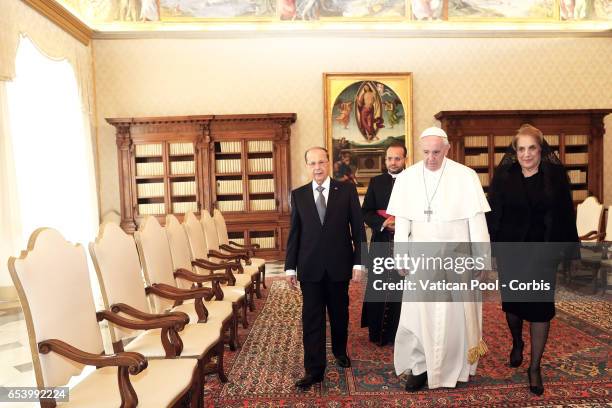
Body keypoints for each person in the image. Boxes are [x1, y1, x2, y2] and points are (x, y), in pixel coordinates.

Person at [387, 127, 491, 391]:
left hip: (457, 256)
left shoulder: (466, 176)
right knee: (419, 313)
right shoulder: (407, 178)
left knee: (454, 316)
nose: (431, 158)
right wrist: (400, 255)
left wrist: (482, 258)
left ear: (447, 149)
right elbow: (402, 222)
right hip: (420, 257)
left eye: (436, 152)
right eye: (426, 152)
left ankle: (455, 369)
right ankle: (421, 368)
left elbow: (477, 222)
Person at [486, 124, 579, 396]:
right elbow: (495, 215)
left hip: (543, 252)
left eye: (532, 148)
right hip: (511, 252)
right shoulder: (504, 175)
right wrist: (490, 252)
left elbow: (565, 213)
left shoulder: (555, 176)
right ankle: (517, 342)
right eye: (521, 149)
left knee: (540, 309)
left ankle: (535, 367)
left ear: (541, 149)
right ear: (515, 151)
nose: (527, 154)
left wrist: (568, 251)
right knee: (513, 307)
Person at [285, 147, 365, 390]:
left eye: (321, 162)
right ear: (307, 166)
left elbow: (358, 230)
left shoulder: (347, 191)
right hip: (309, 267)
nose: (317, 167)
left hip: (339, 265)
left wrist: (359, 262)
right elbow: (295, 233)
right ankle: (314, 369)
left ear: (329, 163)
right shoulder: (298, 195)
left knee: (339, 313)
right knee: (312, 318)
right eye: (312, 163)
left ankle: (340, 351)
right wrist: (290, 268)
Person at [360, 142, 407, 346]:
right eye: (389, 158)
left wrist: (402, 224)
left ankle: (399, 334)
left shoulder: (413, 180)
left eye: (397, 158)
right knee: (379, 285)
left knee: (402, 287)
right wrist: (383, 223)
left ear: (405, 159)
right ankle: (377, 332)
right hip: (381, 240)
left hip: (405, 241)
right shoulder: (376, 181)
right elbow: (366, 212)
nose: (393, 162)